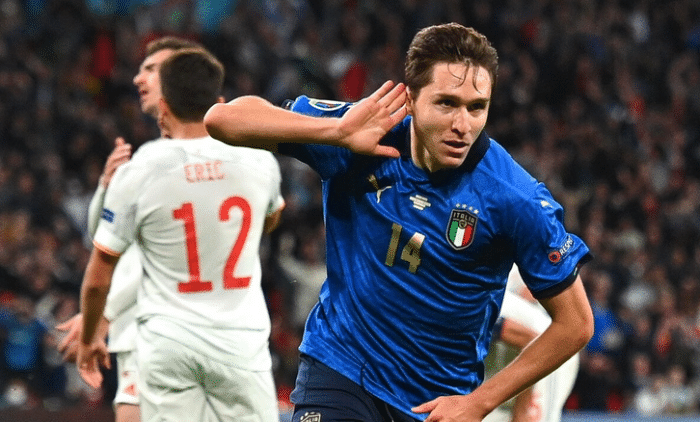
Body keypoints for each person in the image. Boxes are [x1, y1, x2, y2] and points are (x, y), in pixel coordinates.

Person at [204, 22, 593, 422]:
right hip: (341, 368)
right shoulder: (359, 133)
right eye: (446, 103)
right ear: (410, 99)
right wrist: (335, 132)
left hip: (433, 400)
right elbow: (222, 120)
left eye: (476, 107)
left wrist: (479, 402)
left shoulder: (514, 197)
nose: (463, 125)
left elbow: (576, 324)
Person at [76, 48, 285, 422]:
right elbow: (271, 218)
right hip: (239, 341)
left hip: (168, 340)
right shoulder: (259, 160)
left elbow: (98, 275)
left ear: (164, 106)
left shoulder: (140, 169)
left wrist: (89, 336)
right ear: (219, 102)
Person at [55, 36, 205, 422]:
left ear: (181, 78)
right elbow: (105, 238)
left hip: (162, 325)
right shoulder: (161, 158)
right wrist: (107, 187)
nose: (138, 78)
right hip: (162, 325)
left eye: (152, 69)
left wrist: (100, 315)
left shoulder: (174, 162)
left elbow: (158, 257)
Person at [483, 265, 580, 422]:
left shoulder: (476, 303)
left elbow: (532, 341)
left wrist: (521, 412)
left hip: (548, 347)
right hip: (507, 352)